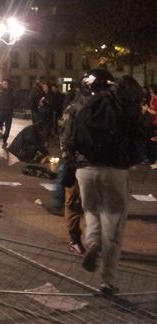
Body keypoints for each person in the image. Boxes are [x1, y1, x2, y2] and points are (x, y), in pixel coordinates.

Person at [69, 70, 145, 295]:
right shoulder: (129, 109)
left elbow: (75, 135)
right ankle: (107, 281)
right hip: (114, 171)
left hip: (86, 170)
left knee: (91, 212)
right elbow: (139, 142)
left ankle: (92, 244)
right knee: (113, 226)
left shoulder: (92, 102)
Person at [60, 88, 88, 254]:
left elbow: (65, 137)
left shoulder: (75, 109)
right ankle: (76, 239)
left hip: (84, 163)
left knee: (76, 203)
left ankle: (76, 239)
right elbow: (65, 136)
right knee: (76, 202)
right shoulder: (75, 109)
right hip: (82, 163)